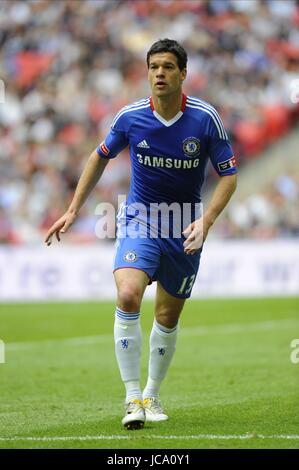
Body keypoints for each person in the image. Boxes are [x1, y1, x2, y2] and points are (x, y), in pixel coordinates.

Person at [45, 38, 237, 430]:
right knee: (129, 293)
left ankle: (152, 392)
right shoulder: (130, 117)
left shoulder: (204, 119)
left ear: (183, 73)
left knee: (167, 315)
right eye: (153, 67)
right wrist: (72, 209)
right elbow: (99, 156)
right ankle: (132, 397)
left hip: (183, 224)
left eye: (168, 67)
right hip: (140, 219)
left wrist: (206, 221)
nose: (159, 74)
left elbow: (229, 176)